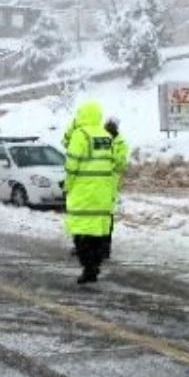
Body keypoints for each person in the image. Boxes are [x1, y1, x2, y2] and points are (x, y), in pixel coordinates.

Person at [63, 100, 123, 284]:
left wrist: (68, 186)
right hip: (103, 192)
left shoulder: (80, 135)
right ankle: (94, 264)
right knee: (97, 232)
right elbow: (115, 162)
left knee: (79, 231)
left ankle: (88, 266)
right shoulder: (106, 136)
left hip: (83, 192)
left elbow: (71, 164)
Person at [101, 117, 129, 260]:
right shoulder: (99, 140)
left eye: (110, 127)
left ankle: (105, 249)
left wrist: (108, 160)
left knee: (106, 217)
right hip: (95, 183)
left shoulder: (121, 144)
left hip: (109, 185)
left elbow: (121, 163)